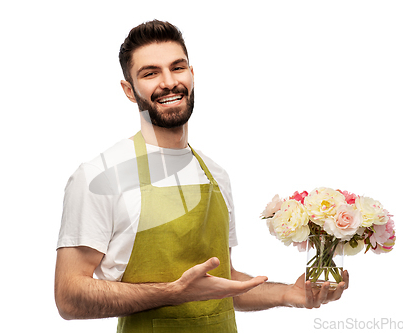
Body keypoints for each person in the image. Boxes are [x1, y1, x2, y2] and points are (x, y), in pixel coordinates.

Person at [54, 20, 349, 332]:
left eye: (177, 68)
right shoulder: (99, 176)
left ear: (191, 75)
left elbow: (222, 284)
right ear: (129, 90)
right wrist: (173, 293)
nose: (168, 82)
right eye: (150, 73)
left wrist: (288, 293)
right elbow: (69, 297)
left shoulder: (216, 175)